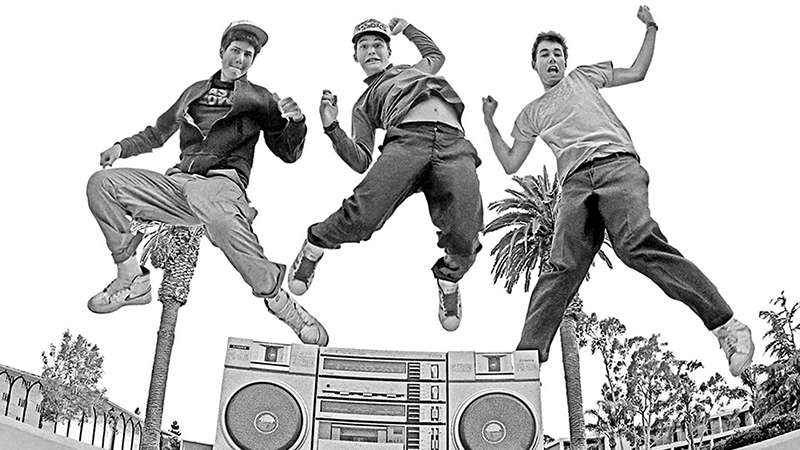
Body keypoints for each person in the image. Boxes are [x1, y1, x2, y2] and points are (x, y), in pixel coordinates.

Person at [481, 6, 754, 376]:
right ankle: (526, 363)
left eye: (558, 54)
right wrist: (489, 123)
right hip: (575, 184)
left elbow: (637, 72)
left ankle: (727, 327)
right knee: (561, 266)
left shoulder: (582, 78)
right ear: (534, 64)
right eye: (545, 54)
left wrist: (652, 28)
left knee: (636, 244)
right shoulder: (530, 114)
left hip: (617, 167)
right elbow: (511, 162)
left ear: (565, 61)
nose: (552, 59)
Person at [86, 21, 328, 347]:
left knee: (221, 221)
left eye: (248, 55)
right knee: (102, 184)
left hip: (221, 183)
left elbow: (288, 152)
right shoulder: (193, 92)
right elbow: (158, 133)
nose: (240, 59)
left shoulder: (260, 99)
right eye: (235, 51)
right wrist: (121, 148)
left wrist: (296, 122)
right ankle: (131, 278)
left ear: (253, 61)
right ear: (222, 52)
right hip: (177, 183)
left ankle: (280, 302)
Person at [286, 18, 483, 332]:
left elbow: (436, 54)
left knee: (465, 235)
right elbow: (361, 159)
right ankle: (314, 245)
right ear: (356, 57)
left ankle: (449, 281)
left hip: (454, 146)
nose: (371, 50)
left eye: (377, 44)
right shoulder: (363, 104)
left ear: (389, 50)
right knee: (363, 218)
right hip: (406, 143)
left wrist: (407, 28)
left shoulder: (416, 69)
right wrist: (331, 127)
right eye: (363, 47)